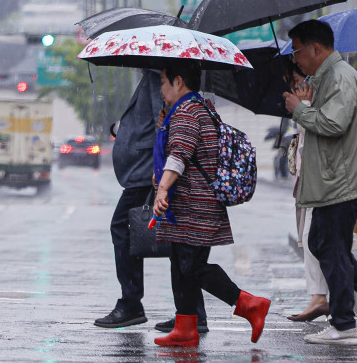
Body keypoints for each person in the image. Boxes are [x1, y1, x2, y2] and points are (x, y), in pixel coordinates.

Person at [151, 60, 270, 347]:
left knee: (191, 266)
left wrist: (162, 189)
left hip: (194, 205)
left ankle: (249, 304)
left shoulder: (187, 111)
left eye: (164, 83)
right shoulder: (195, 108)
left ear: (179, 82)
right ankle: (185, 326)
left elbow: (179, 155)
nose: (162, 90)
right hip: (192, 205)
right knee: (182, 265)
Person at [95, 70, 208, 332]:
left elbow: (170, 119)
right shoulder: (154, 73)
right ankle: (190, 312)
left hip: (151, 173)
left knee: (125, 227)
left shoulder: (163, 74)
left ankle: (134, 304)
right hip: (151, 172)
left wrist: (163, 183)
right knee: (178, 241)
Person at [283, 19, 357, 345]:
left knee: (331, 246)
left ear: (316, 48)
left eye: (297, 51)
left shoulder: (341, 78)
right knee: (323, 243)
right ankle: (343, 320)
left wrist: (300, 109)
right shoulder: (328, 77)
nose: (296, 60)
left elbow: (333, 123)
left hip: (340, 182)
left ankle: (344, 325)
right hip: (331, 180)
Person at [284, 66, 329, 323]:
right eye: (294, 84)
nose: (296, 88)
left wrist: (302, 108)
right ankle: (318, 297)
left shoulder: (316, 106)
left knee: (318, 241)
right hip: (307, 183)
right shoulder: (306, 108)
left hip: (321, 185)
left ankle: (322, 299)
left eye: (299, 82)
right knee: (309, 239)